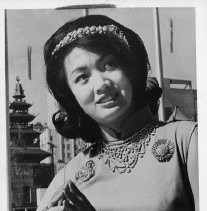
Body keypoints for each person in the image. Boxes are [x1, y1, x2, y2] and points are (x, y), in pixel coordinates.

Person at [37, 15, 198, 211]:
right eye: (82, 77)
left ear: (130, 69)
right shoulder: (67, 177)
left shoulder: (188, 142)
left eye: (109, 65)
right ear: (72, 96)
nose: (102, 84)